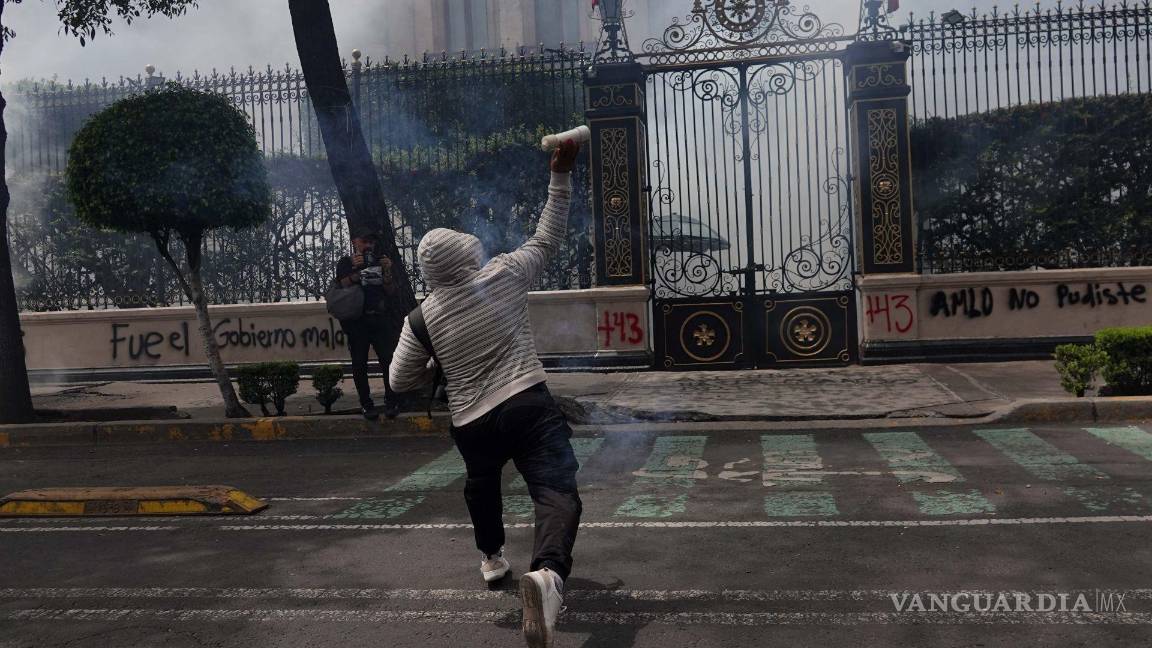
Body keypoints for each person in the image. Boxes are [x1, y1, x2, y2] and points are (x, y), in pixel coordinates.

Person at [389, 139, 581, 648]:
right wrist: (558, 176)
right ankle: (548, 576)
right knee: (556, 490)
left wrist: (436, 362)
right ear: (466, 255)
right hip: (527, 401)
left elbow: (398, 381)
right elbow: (548, 236)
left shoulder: (420, 317)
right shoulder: (504, 274)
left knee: (481, 484)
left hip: (471, 419)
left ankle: (493, 558)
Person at [335, 232, 401, 420]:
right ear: (355, 241)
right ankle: (366, 404)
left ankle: (391, 402)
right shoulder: (346, 262)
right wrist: (356, 271)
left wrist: (387, 270)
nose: (368, 245)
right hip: (357, 322)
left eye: (371, 242)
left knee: (388, 361)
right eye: (364, 240)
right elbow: (341, 286)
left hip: (379, 318)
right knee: (359, 364)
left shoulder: (381, 261)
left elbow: (390, 290)